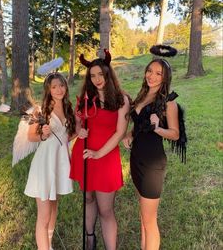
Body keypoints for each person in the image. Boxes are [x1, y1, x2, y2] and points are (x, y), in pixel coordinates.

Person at [70, 49, 130, 250]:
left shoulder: (121, 99)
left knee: (106, 209)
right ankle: (89, 238)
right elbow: (78, 123)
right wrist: (80, 131)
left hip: (105, 157)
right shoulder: (86, 98)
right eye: (92, 75)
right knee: (88, 198)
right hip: (84, 154)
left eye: (101, 74)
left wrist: (98, 153)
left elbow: (120, 132)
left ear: (108, 74)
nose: (97, 79)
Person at [123, 53, 179, 250]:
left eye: (158, 73)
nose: (152, 76)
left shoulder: (167, 102)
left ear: (165, 78)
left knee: (149, 220)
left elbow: (174, 134)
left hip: (152, 164)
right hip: (136, 158)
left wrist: (157, 128)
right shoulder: (142, 96)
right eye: (149, 71)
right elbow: (139, 125)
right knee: (143, 216)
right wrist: (129, 134)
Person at [24, 72, 76, 250]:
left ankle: (49, 243)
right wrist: (43, 134)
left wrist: (79, 133)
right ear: (48, 89)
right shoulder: (41, 110)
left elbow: (65, 137)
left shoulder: (69, 108)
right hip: (45, 165)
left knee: (54, 208)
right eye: (54, 87)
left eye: (61, 85)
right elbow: (31, 137)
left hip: (60, 163)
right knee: (44, 215)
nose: (59, 89)